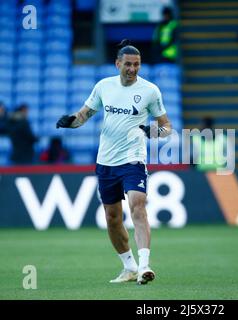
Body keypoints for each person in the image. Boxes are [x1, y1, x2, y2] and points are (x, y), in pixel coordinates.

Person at [56, 39, 172, 285]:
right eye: (128, 64)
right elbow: (84, 115)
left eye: (137, 64)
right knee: (112, 217)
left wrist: (153, 132)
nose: (132, 69)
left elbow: (166, 127)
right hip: (106, 161)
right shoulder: (103, 87)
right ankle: (128, 267)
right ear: (117, 63)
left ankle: (144, 266)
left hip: (133, 159)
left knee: (138, 207)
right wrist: (70, 122)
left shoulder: (150, 91)